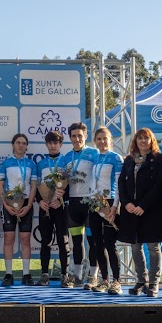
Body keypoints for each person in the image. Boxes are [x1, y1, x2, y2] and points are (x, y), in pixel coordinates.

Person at [118, 128, 162, 297]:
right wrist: (126, 203)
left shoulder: (159, 159)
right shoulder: (128, 160)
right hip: (131, 210)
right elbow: (121, 184)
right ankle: (141, 281)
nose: (142, 141)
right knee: (135, 246)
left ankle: (154, 283)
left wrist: (143, 206)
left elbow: (159, 184)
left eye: (146, 138)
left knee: (153, 247)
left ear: (151, 140)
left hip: (151, 209)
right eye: (139, 138)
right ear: (135, 141)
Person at [59, 122, 99, 287]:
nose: (77, 139)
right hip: (73, 204)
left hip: (90, 202)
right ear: (70, 137)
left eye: (80, 136)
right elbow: (62, 180)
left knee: (93, 240)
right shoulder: (66, 157)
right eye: (74, 136)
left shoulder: (94, 153)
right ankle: (78, 276)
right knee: (76, 241)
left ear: (85, 136)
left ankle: (93, 275)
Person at [87, 127, 124, 294]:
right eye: (99, 139)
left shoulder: (116, 158)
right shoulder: (95, 158)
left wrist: (115, 207)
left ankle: (117, 281)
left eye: (105, 139)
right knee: (97, 243)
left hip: (110, 204)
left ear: (110, 140)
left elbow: (119, 185)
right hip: (95, 203)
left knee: (110, 243)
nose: (102, 142)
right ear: (95, 141)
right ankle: (104, 280)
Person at [0, 133, 38, 286]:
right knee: (9, 239)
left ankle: (26, 274)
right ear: (13, 145)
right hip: (9, 204)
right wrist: (5, 204)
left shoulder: (31, 164)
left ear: (26, 146)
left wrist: (29, 205)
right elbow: (0, 185)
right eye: (18, 143)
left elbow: (33, 186)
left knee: (25, 239)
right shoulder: (6, 163)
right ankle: (8, 274)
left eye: (23, 143)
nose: (21, 145)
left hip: (26, 203)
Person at [36, 131, 73, 287]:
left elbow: (71, 185)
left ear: (60, 144)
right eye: (49, 142)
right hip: (45, 207)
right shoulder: (40, 164)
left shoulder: (66, 162)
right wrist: (39, 202)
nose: (52, 145)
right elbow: (37, 187)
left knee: (62, 240)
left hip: (60, 207)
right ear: (46, 144)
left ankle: (65, 275)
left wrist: (62, 200)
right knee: (45, 242)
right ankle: (44, 275)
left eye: (55, 142)